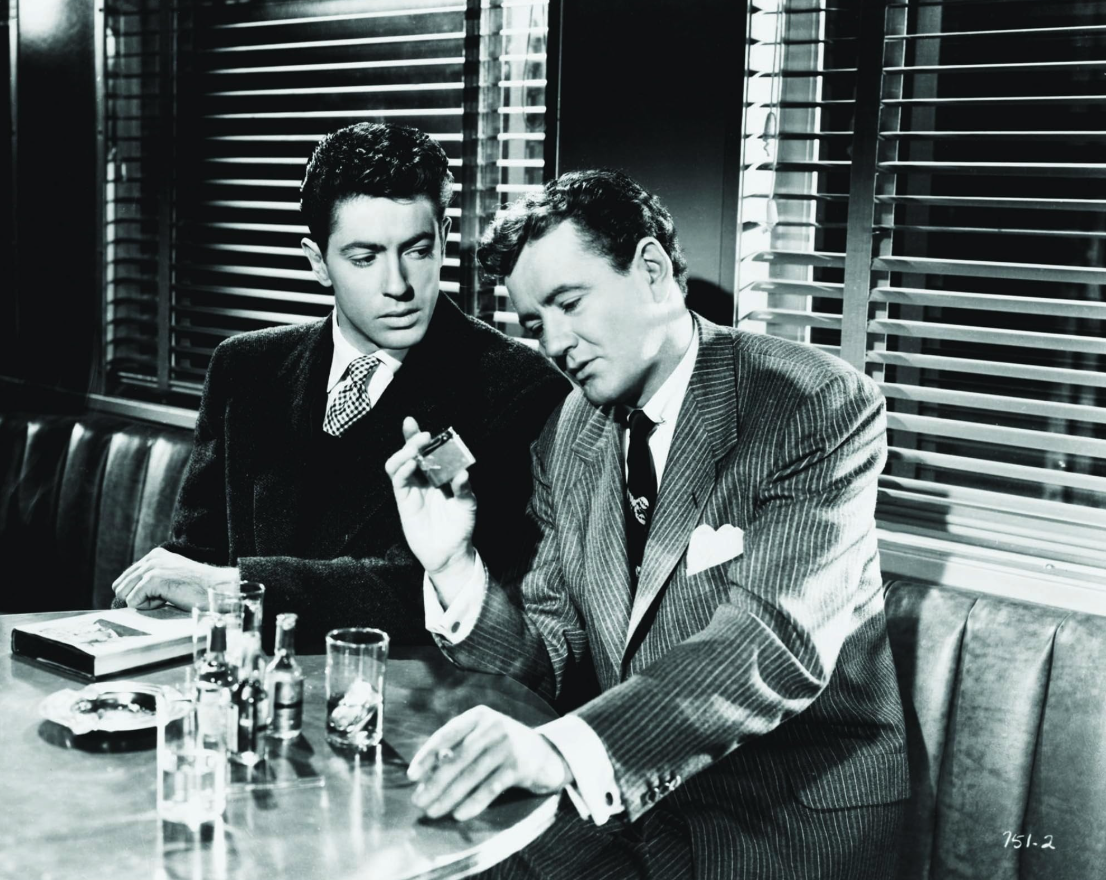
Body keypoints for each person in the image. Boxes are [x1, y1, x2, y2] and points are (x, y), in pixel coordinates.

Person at [385, 170, 909, 879]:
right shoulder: (570, 432)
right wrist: (451, 565)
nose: (555, 342)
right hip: (626, 812)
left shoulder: (809, 404)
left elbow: (770, 645)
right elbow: (555, 658)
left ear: (654, 271)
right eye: (536, 323)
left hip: (778, 820)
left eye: (570, 302)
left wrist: (561, 751)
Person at [113, 122, 570, 652]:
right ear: (318, 263)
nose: (398, 286)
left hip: (404, 704)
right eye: (364, 258)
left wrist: (240, 587)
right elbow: (197, 557)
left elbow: (442, 591)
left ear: (444, 237)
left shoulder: (519, 388)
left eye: (418, 250)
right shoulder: (245, 369)